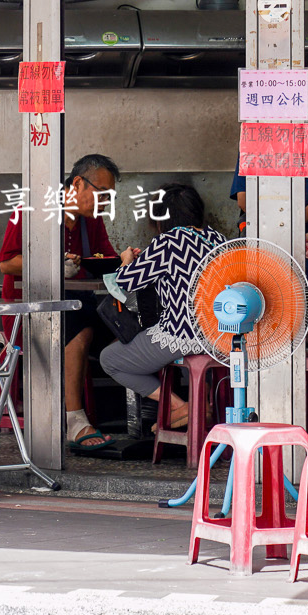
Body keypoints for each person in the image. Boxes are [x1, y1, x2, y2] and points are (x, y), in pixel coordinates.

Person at [0, 153, 121, 454]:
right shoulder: (32, 208)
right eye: (102, 194)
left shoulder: (92, 221)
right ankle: (75, 420)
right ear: (77, 183)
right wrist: (51, 264)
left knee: (118, 321)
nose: (105, 202)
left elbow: (105, 259)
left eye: (110, 197)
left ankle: (146, 415)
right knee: (81, 324)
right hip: (27, 308)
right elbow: (7, 263)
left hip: (75, 301)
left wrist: (128, 261)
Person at [232, 133, 308, 415]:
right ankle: (272, 416)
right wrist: (278, 225)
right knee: (268, 340)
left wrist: (291, 223)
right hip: (265, 257)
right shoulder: (252, 144)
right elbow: (243, 198)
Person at [97, 184, 225, 431]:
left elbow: (126, 281)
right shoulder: (217, 238)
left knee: (109, 359)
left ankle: (180, 407)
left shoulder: (167, 241)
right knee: (195, 362)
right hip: (219, 336)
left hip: (182, 333)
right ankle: (199, 405)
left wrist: (126, 260)